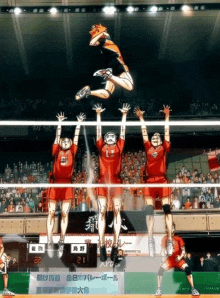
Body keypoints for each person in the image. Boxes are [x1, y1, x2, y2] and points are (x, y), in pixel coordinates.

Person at [134, 105, 173, 257]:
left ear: (161, 140)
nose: (155, 138)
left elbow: (167, 132)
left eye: (158, 137)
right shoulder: (148, 147)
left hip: (162, 181)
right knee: (149, 212)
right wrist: (141, 118)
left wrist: (167, 117)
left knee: (167, 211)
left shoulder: (164, 147)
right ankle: (150, 240)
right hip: (150, 182)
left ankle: (169, 239)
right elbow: (144, 132)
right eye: (153, 137)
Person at [94, 103, 130, 262]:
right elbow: (98, 131)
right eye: (107, 136)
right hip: (102, 182)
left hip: (116, 182)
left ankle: (115, 245)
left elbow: (123, 131)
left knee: (117, 212)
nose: (109, 138)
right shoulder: (101, 146)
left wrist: (124, 115)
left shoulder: (119, 146)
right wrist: (98, 114)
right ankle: (101, 244)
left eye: (111, 137)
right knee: (101, 212)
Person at [47, 111, 85, 258]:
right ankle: (50, 242)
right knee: (50, 213)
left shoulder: (72, 151)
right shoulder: (56, 150)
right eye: (64, 141)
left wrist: (79, 123)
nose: (65, 143)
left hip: (67, 184)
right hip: (55, 185)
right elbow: (57, 137)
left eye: (67, 142)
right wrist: (60, 123)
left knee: (64, 214)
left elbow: (75, 138)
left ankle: (61, 241)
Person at [75, 24, 133, 101]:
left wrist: (101, 32)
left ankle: (88, 92)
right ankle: (110, 75)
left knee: (107, 94)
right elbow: (92, 43)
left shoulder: (107, 40)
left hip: (110, 67)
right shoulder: (102, 41)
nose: (106, 32)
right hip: (117, 65)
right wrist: (100, 33)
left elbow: (105, 35)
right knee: (130, 87)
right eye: (104, 31)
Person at [155, 223, 199, 296]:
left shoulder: (178, 239)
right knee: (160, 270)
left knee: (188, 270)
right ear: (166, 229)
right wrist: (166, 253)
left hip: (178, 260)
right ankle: (159, 290)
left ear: (173, 229)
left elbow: (183, 251)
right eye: (168, 228)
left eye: (172, 228)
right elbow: (163, 250)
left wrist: (180, 257)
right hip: (170, 260)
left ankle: (193, 289)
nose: (170, 229)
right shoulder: (164, 239)